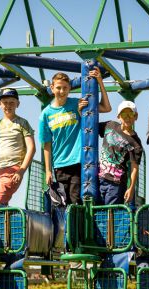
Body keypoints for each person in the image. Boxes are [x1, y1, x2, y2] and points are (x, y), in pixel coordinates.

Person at [39, 67, 111, 204]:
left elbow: (106, 108)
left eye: (65, 88)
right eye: (58, 88)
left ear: (69, 88)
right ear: (52, 88)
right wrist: (48, 170)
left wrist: (100, 81)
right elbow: (46, 145)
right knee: (63, 203)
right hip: (60, 164)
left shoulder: (77, 103)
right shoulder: (45, 114)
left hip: (79, 161)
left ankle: (79, 225)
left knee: (76, 199)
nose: (62, 91)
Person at [98, 100, 143, 205]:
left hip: (116, 183)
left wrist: (131, 188)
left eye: (130, 114)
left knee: (110, 213)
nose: (127, 117)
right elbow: (89, 126)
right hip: (98, 177)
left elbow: (134, 167)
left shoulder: (135, 142)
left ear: (135, 116)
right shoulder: (110, 125)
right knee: (95, 211)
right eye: (124, 114)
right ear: (118, 116)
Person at [0, 87, 36, 205]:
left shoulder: (22, 123)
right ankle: (4, 222)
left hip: (12, 168)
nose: (8, 105)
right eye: (5, 102)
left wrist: (21, 170)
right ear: (0, 104)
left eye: (11, 102)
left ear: (17, 104)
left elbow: (31, 148)